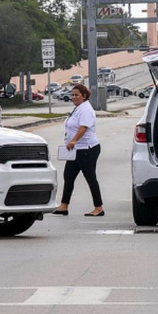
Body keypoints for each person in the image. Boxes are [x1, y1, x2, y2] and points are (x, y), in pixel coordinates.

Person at [52, 84, 104, 217]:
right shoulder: (78, 108)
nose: (73, 97)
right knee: (68, 176)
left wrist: (74, 140)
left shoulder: (86, 109)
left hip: (87, 148)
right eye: (72, 95)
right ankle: (64, 206)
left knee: (90, 177)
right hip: (75, 150)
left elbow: (83, 127)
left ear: (84, 96)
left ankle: (98, 207)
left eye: (76, 95)